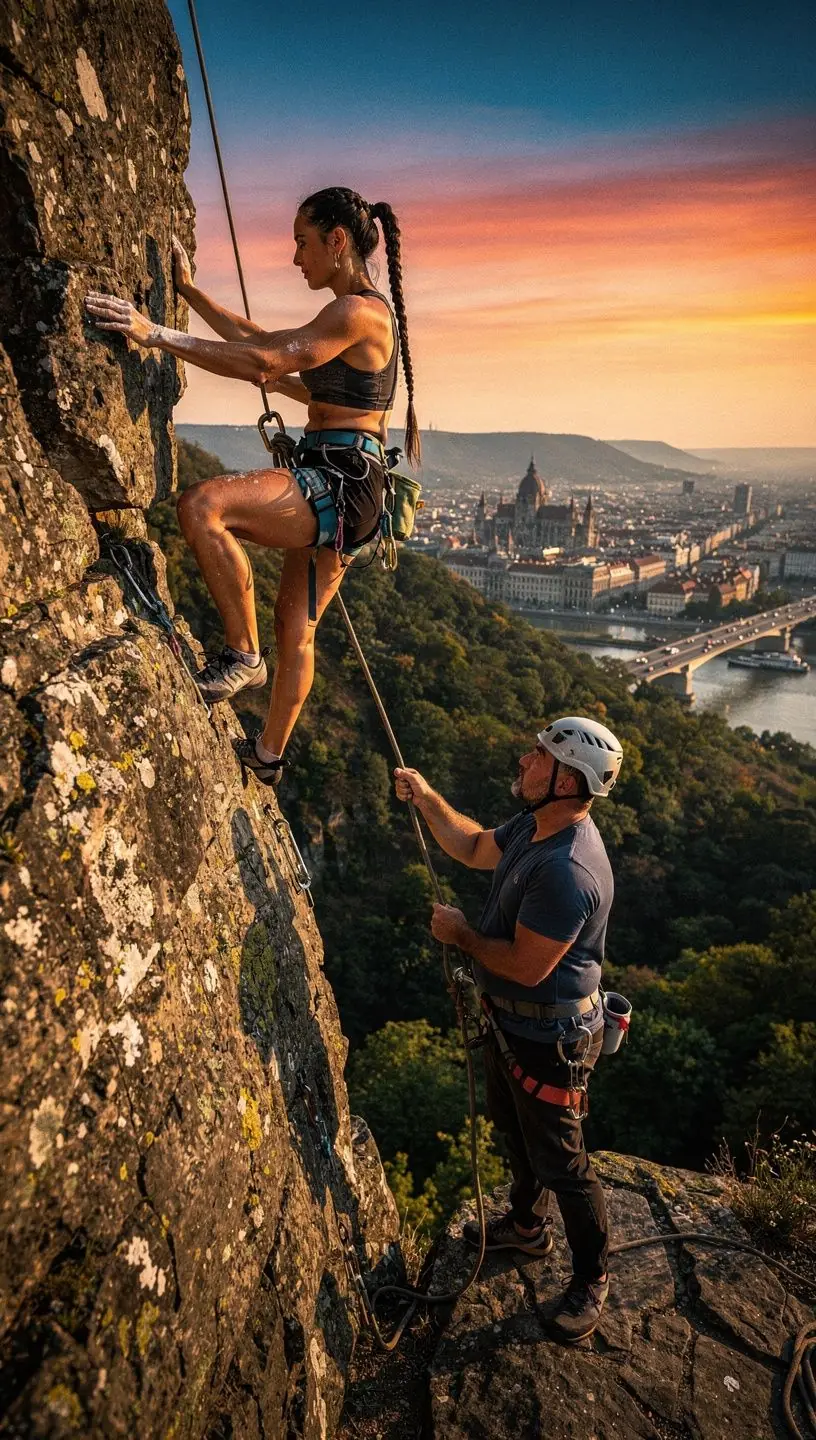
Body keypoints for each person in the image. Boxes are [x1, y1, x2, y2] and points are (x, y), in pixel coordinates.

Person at [85, 187, 419, 786]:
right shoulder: (359, 316)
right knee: (297, 625)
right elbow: (263, 341)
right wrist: (191, 297)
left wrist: (154, 333)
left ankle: (242, 655)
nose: (296, 257)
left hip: (336, 480)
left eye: (302, 242)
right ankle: (268, 757)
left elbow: (267, 363)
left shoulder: (357, 313)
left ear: (337, 241)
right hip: (355, 486)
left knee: (204, 505)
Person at [394, 717, 624, 1343]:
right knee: (514, 1133)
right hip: (515, 1028)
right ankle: (526, 1228)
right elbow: (470, 846)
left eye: (539, 757)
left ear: (567, 781)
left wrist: (462, 935)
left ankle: (591, 1277)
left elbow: (527, 965)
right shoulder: (534, 825)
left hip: (552, 1043)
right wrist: (427, 795)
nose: (524, 761)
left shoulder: (566, 869)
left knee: (564, 1163)